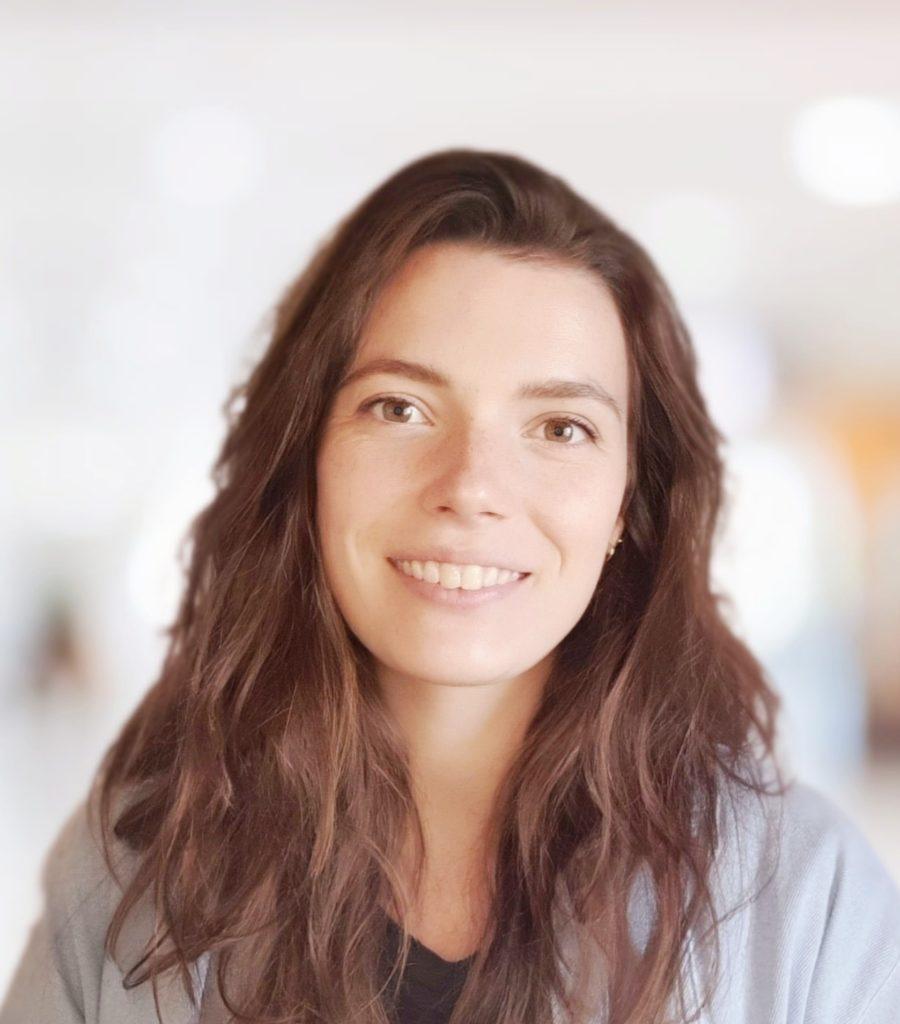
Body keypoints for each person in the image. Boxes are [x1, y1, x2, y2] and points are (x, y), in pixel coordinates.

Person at [2, 148, 898, 1024]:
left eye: (560, 427)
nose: (470, 487)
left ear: (630, 499)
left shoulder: (809, 903)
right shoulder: (128, 875)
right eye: (400, 408)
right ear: (305, 458)